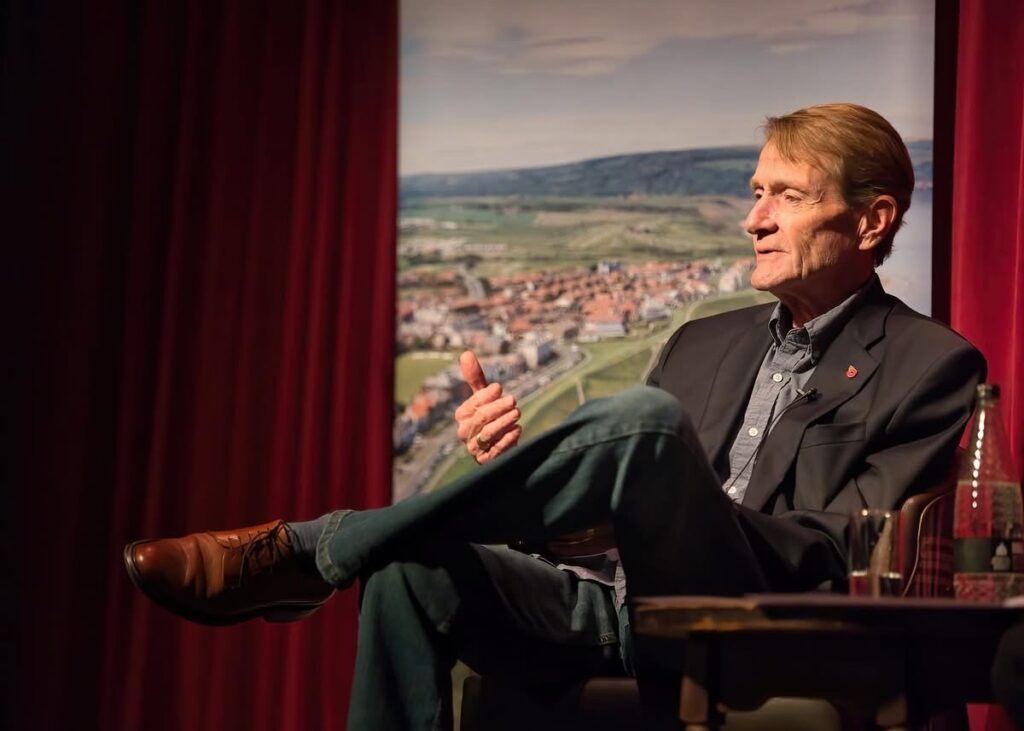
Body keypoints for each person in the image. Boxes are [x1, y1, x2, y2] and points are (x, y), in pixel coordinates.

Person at [124, 103, 985, 730]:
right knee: (408, 573)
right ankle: (356, 552)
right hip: (607, 607)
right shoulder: (700, 340)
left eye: (786, 196)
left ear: (873, 221)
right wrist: (551, 482)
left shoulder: (932, 366)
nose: (751, 219)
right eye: (754, 192)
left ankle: (318, 547)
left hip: (757, 626)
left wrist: (676, 497)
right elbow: (607, 519)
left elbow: (846, 551)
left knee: (646, 424)